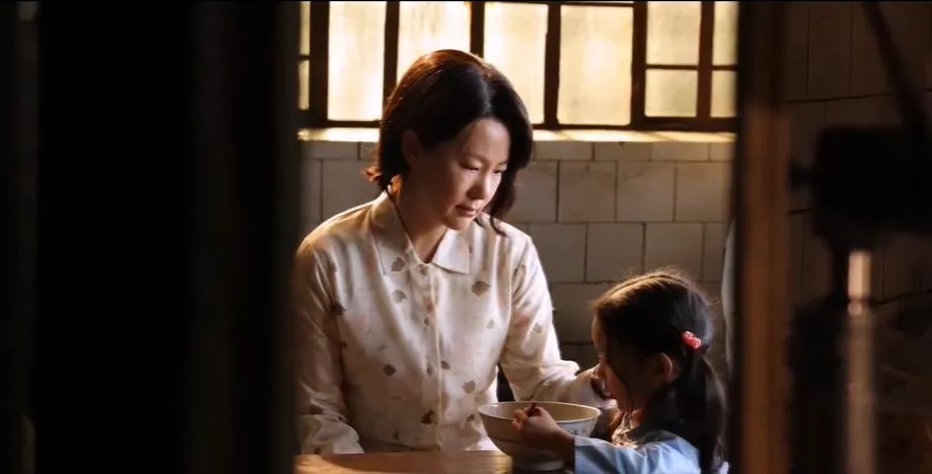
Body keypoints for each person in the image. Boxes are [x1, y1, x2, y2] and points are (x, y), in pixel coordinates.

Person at [293, 49, 612, 455]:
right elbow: (317, 414)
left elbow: (542, 384)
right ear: (413, 148)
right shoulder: (329, 257)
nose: (484, 191)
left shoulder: (509, 254)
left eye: (499, 172)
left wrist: (603, 381)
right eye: (471, 166)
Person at [511, 269, 729, 473]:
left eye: (607, 359)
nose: (598, 373)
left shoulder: (676, 453)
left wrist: (558, 441)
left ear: (659, 369)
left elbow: (638, 468)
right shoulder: (635, 418)